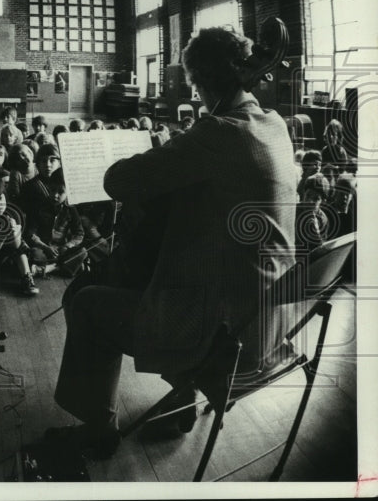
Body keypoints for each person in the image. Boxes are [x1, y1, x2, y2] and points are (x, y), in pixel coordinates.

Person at [43, 26, 297, 461]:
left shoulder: (219, 132)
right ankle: (180, 398)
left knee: (86, 303)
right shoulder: (272, 123)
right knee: (157, 278)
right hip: (272, 318)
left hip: (227, 335)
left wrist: (174, 148)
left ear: (199, 82)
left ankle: (99, 427)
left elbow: (117, 179)